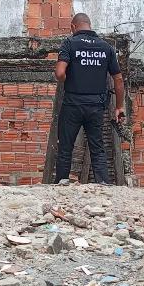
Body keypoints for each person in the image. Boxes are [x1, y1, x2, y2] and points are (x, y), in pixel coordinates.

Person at [54, 13, 125, 184]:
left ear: (73, 27)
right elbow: (118, 79)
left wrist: (66, 79)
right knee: (97, 147)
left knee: (65, 147)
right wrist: (119, 107)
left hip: (72, 104)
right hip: (96, 105)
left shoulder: (69, 43)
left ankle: (60, 185)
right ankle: (103, 184)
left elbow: (60, 72)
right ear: (89, 25)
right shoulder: (106, 47)